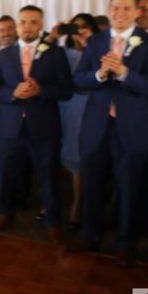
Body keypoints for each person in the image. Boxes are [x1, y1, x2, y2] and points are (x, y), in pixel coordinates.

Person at [68, 0, 148, 267]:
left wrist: (125, 73)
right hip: (97, 125)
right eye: (115, 8)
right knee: (93, 183)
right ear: (109, 10)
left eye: (126, 8)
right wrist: (99, 75)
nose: (119, 13)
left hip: (132, 127)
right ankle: (91, 234)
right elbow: (79, 80)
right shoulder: (97, 40)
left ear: (138, 12)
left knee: (130, 187)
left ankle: (126, 243)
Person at [0, 5, 73, 242]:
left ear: (41, 25)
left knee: (48, 175)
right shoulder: (4, 54)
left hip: (44, 127)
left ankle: (53, 221)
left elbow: (66, 90)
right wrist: (13, 92)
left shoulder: (55, 53)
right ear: (18, 24)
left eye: (33, 22)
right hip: (10, 127)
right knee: (5, 173)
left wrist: (41, 90)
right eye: (23, 22)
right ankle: (5, 211)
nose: (27, 26)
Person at [57, 14, 97, 230]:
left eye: (85, 28)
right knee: (66, 153)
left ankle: (78, 206)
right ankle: (59, 203)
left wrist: (88, 48)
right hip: (65, 105)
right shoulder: (63, 52)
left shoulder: (101, 50)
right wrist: (54, 36)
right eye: (76, 28)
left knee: (81, 157)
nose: (81, 32)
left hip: (89, 106)